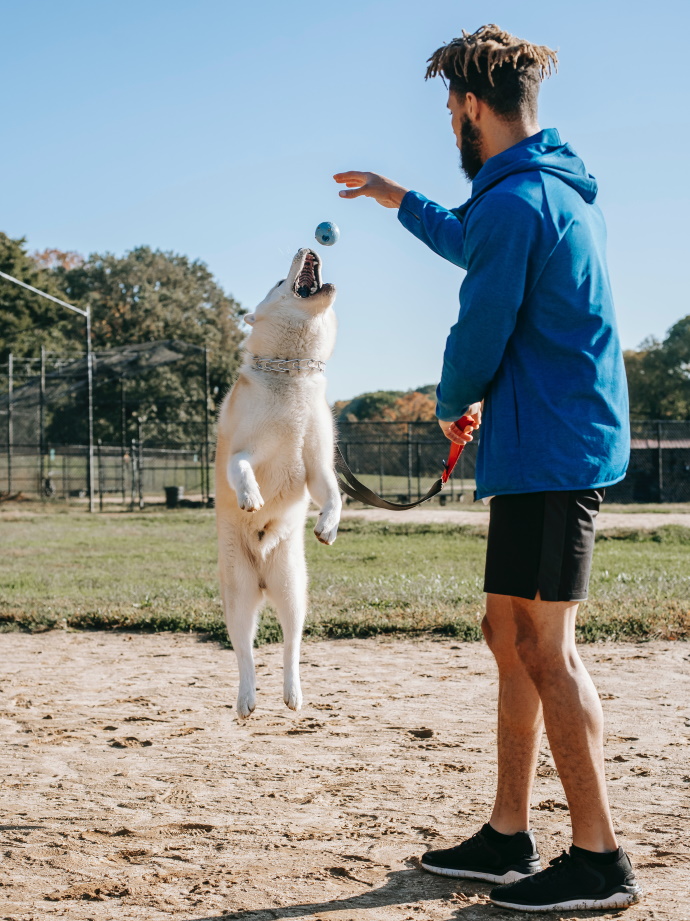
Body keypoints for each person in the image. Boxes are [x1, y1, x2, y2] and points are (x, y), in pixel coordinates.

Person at [334, 24, 641, 913]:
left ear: (471, 107)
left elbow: (479, 326)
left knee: (548, 649)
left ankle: (601, 858)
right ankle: (509, 834)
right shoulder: (533, 192)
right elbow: (474, 238)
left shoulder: (519, 203)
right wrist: (399, 199)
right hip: (534, 447)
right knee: (507, 636)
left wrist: (449, 396)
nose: (449, 124)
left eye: (448, 110)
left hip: (550, 452)